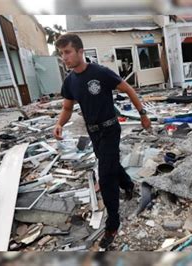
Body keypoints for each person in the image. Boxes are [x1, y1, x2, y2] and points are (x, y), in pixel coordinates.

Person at [53, 33, 151, 250]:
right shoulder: (70, 82)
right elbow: (68, 108)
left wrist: (143, 114)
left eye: (67, 52)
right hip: (94, 133)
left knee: (105, 176)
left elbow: (128, 89)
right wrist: (60, 124)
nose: (65, 58)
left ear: (80, 51)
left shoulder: (100, 73)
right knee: (111, 165)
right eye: (61, 54)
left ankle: (112, 223)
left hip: (110, 129)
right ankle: (128, 185)